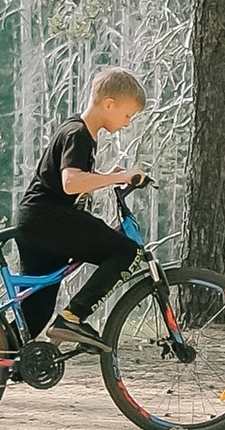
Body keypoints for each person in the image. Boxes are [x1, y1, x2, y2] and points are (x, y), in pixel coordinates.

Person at [10, 68, 149, 350]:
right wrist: (119, 177)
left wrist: (106, 176)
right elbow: (70, 182)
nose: (127, 122)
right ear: (109, 104)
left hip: (37, 222)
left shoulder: (80, 132)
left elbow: (72, 182)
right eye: (127, 115)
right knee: (126, 251)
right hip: (49, 220)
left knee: (35, 315)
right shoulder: (78, 133)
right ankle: (73, 316)